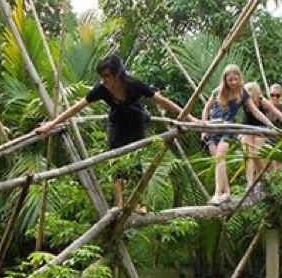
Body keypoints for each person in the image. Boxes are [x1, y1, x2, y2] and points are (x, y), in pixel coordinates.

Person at [35, 54, 195, 207]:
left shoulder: (134, 85)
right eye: (102, 76)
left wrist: (189, 118)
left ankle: (138, 204)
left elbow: (162, 101)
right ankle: (119, 204)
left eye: (107, 76)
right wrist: (50, 125)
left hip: (136, 123)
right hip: (117, 123)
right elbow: (76, 108)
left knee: (134, 163)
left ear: (117, 74)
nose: (103, 80)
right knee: (116, 160)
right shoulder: (101, 90)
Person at [201, 64, 243, 204]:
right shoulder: (217, 92)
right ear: (225, 80)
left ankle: (217, 194)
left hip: (227, 129)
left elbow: (255, 109)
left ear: (239, 79)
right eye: (230, 80)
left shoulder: (241, 94)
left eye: (235, 79)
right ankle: (227, 192)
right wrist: (204, 127)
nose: (233, 83)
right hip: (213, 128)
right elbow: (206, 109)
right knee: (218, 162)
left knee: (220, 157)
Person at [241, 81, 282, 187]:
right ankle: (250, 182)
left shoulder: (262, 101)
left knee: (257, 152)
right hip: (247, 127)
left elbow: (277, 113)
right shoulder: (244, 101)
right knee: (248, 152)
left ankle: (263, 177)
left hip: (261, 128)